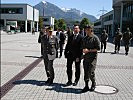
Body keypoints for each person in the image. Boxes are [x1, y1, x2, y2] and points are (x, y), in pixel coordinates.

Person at [81, 25, 100, 93]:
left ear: (90, 30)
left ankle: (93, 83)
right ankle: (86, 86)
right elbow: (83, 47)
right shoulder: (85, 38)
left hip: (93, 58)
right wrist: (83, 50)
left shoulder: (95, 38)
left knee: (91, 72)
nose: (86, 31)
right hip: (86, 58)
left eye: (87, 30)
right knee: (86, 72)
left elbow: (98, 48)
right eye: (85, 30)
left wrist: (88, 50)